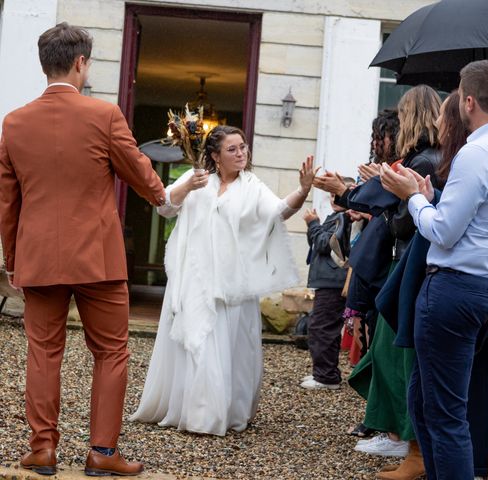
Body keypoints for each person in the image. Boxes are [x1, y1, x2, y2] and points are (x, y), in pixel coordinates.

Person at [0, 23, 166, 476]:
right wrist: (164, 199)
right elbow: (139, 171)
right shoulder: (104, 115)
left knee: (43, 352)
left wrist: (13, 260)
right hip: (98, 258)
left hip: (38, 259)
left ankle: (42, 448)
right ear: (80, 63)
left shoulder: (13, 122)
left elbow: (7, 202)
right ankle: (103, 453)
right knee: (111, 352)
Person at [380, 60, 488, 480]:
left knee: (446, 415)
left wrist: (414, 198)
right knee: (423, 401)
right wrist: (432, 198)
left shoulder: (478, 152)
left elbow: (444, 231)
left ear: (468, 101)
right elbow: (479, 221)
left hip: (454, 290)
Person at [130, 126, 315, 435]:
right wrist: (187, 187)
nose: (241, 153)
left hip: (233, 284)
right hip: (195, 277)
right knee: (199, 342)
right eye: (232, 149)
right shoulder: (196, 178)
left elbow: (278, 212)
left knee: (229, 347)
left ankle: (222, 411)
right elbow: (164, 207)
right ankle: (197, 412)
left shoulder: (252, 186)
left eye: (243, 147)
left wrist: (304, 190)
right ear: (215, 156)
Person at [300, 192, 351, 390]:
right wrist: (315, 225)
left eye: (338, 194)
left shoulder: (345, 217)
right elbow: (317, 244)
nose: (334, 199)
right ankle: (323, 373)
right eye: (331, 195)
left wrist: (313, 224)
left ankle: (326, 377)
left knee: (322, 328)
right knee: (322, 327)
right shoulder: (336, 217)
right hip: (328, 279)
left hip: (334, 280)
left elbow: (324, 244)